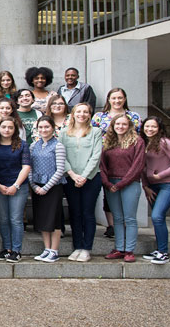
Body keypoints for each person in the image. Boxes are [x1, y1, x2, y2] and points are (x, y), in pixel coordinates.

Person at [93, 87, 142, 239]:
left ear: (125, 99)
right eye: (114, 98)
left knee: (126, 199)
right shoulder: (99, 117)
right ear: (109, 99)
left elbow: (138, 137)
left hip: (127, 158)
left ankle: (125, 227)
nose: (117, 100)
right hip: (104, 158)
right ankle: (112, 225)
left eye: (120, 98)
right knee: (108, 194)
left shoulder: (133, 116)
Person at [60, 103, 103, 263]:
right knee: (75, 212)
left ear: (90, 115)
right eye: (79, 111)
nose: (82, 114)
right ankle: (77, 246)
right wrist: (72, 174)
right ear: (73, 114)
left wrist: (84, 176)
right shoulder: (64, 133)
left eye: (85, 112)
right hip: (70, 178)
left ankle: (86, 248)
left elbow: (96, 156)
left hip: (91, 178)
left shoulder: (95, 132)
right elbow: (61, 155)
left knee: (87, 213)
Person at [100, 115, 145, 263]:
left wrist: (122, 183)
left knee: (129, 218)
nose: (120, 127)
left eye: (124, 124)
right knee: (117, 218)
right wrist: (107, 182)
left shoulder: (137, 141)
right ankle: (119, 248)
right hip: (111, 184)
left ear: (129, 126)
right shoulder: (108, 141)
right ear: (113, 126)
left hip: (130, 183)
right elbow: (102, 164)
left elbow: (138, 165)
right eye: (117, 124)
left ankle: (129, 250)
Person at [141, 116, 170, 265]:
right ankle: (159, 249)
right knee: (159, 218)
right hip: (152, 187)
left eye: (153, 127)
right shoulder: (143, 143)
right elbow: (142, 167)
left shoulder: (165, 143)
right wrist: (145, 186)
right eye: (147, 126)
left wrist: (160, 175)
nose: (150, 129)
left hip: (168, 185)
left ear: (159, 129)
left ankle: (164, 253)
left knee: (157, 216)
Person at [0, 116, 31, 263]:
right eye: (4, 127)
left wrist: (16, 186)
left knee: (15, 219)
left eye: (10, 127)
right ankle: (6, 249)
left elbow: (26, 167)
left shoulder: (22, 145)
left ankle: (16, 250)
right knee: (3, 219)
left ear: (15, 130)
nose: (6, 130)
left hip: (18, 186)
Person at [29, 116, 67, 263]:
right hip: (37, 186)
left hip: (53, 186)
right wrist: (34, 186)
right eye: (41, 127)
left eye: (47, 127)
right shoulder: (34, 146)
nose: (43, 130)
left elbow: (60, 169)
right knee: (42, 218)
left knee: (54, 218)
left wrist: (46, 187)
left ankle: (54, 250)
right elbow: (29, 167)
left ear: (53, 128)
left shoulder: (58, 146)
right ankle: (47, 248)